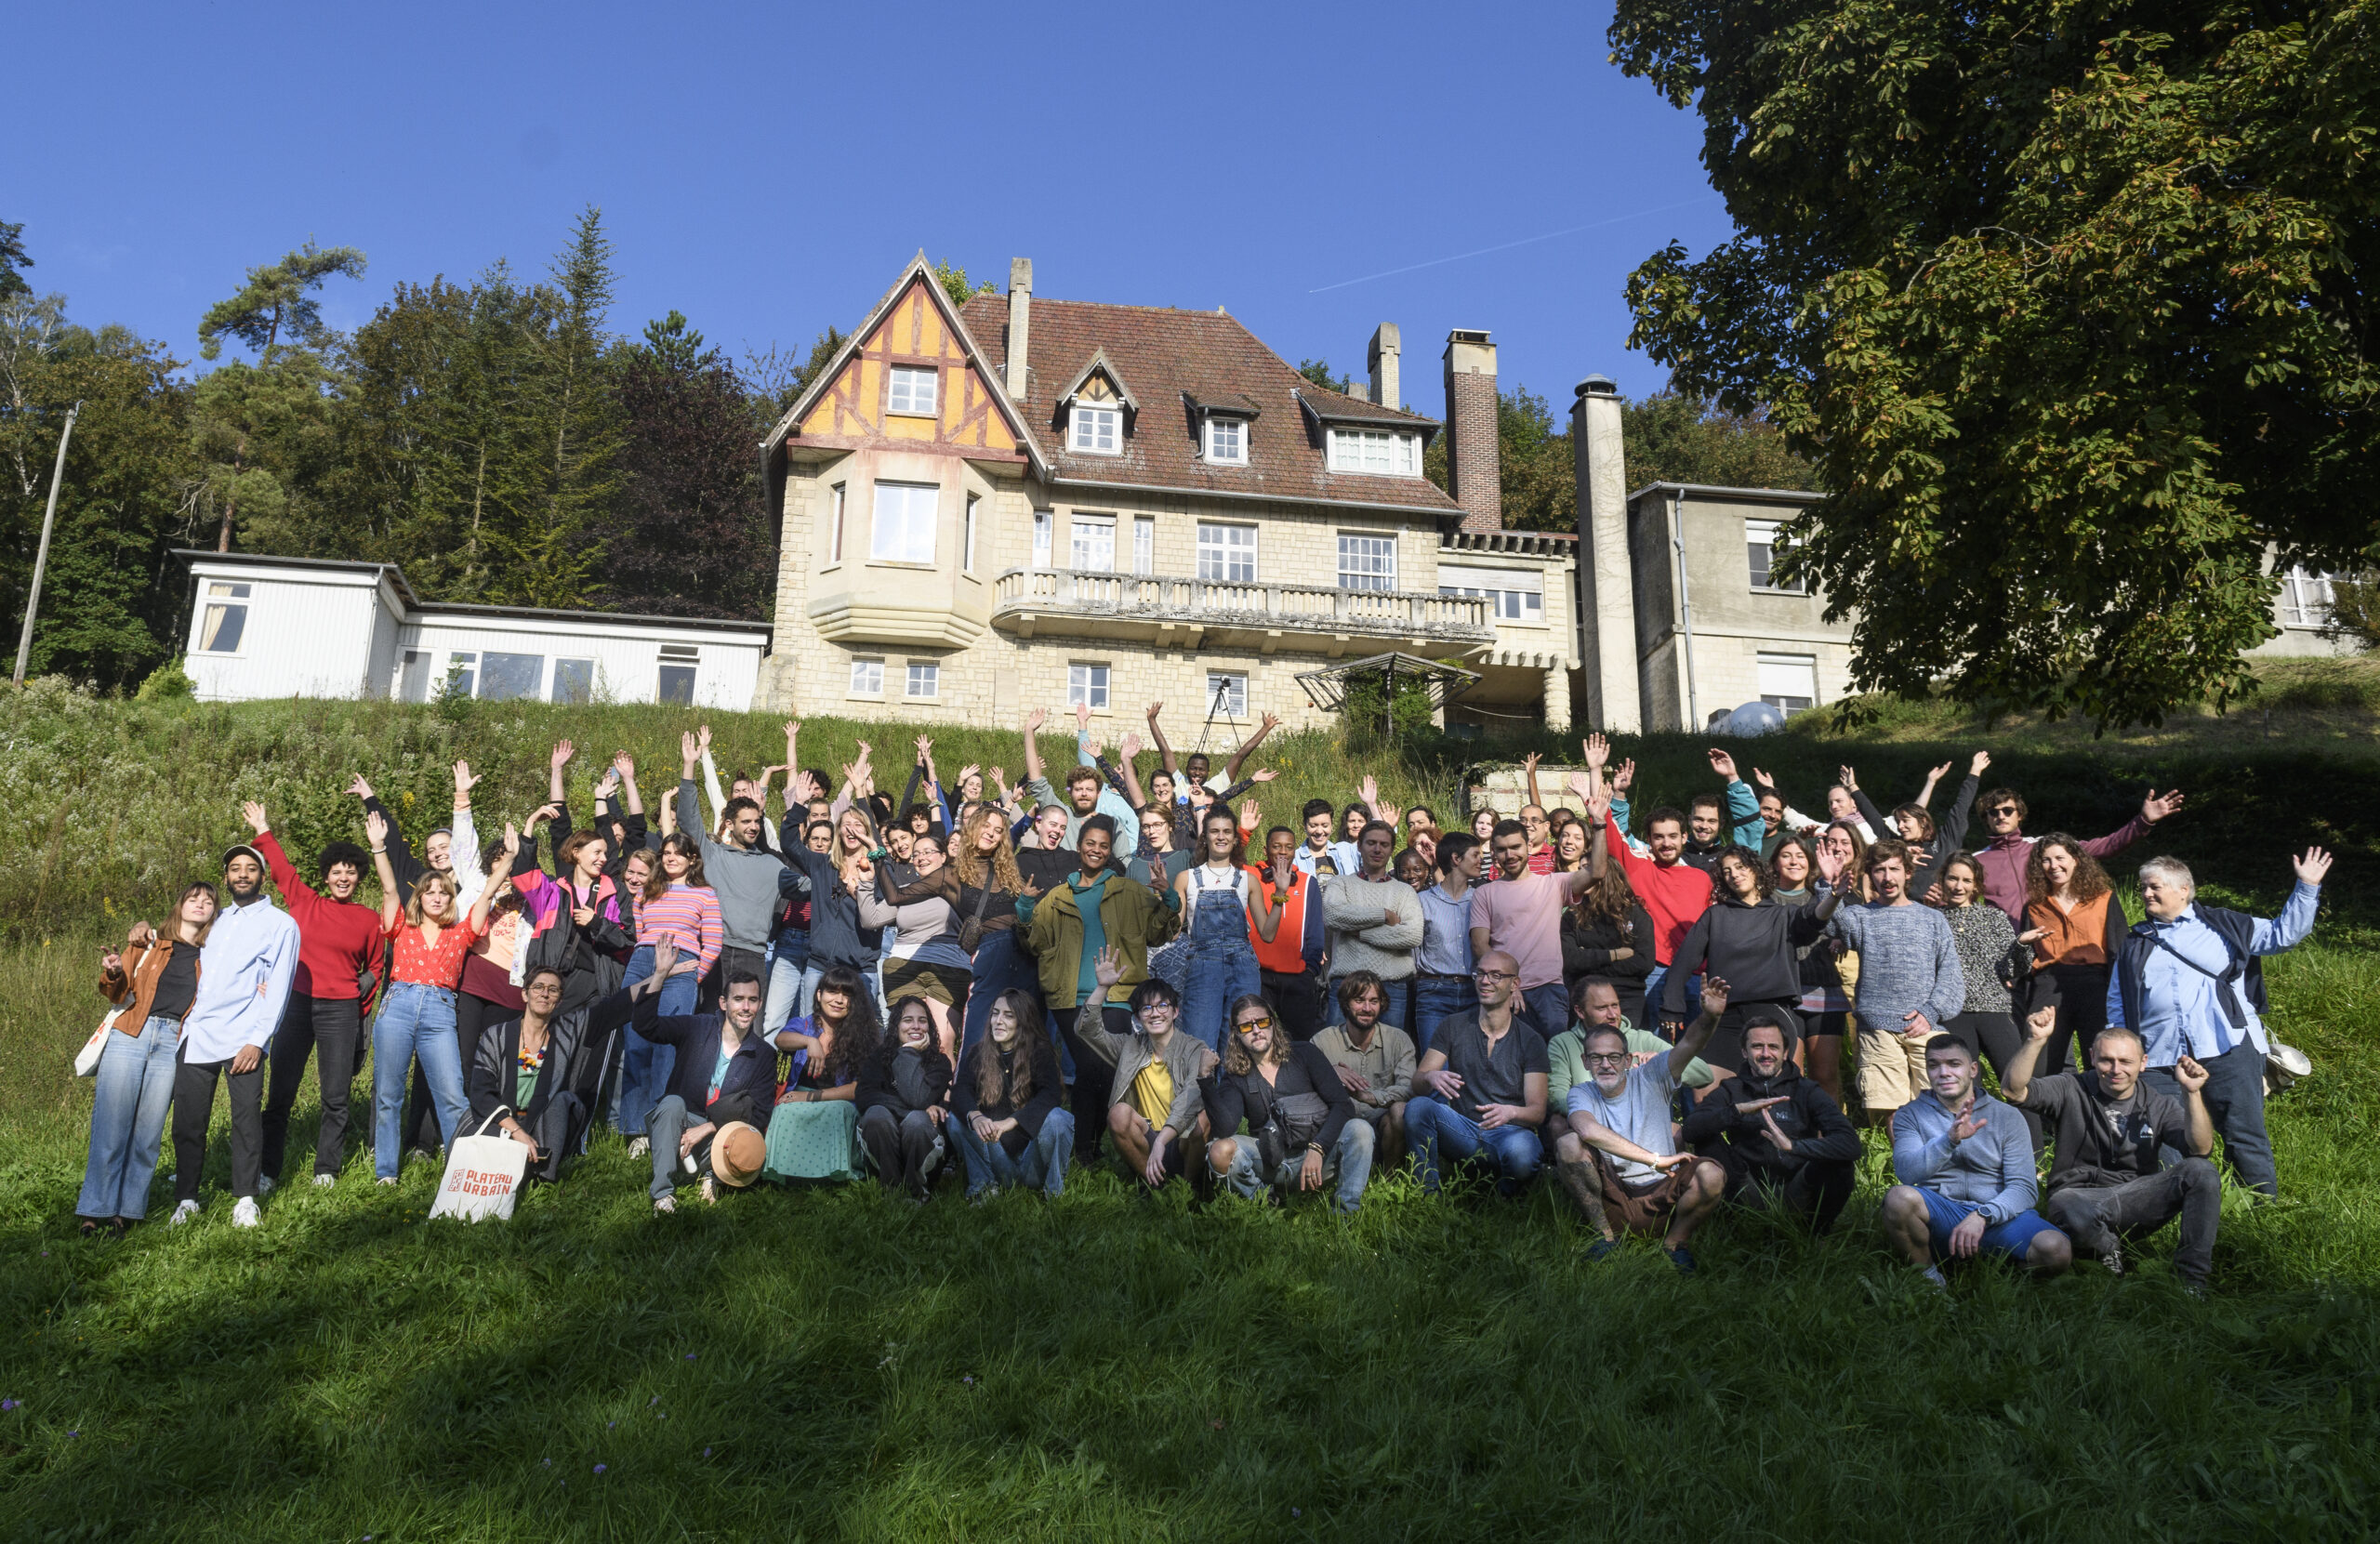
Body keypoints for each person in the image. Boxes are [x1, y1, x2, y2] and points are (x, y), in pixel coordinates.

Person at [2110, 849, 2329, 1199]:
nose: (2146, 894)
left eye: (2154, 887)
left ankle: (2261, 1209)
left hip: (2228, 1047)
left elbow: (2282, 935)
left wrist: (2306, 887)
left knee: (2244, 1132)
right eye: (2143, 888)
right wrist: (2123, 1047)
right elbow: (2118, 999)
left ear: (2183, 889)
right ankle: (2173, 1210)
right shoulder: (2134, 941)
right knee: (2165, 1137)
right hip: (2159, 1057)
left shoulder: (2226, 924)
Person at [2003, 1003, 2219, 1288]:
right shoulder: (2071, 1087)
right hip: (2078, 1199)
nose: (2116, 1070)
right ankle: (2111, 1257)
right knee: (2064, 1203)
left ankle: (2192, 1281)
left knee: (2201, 1170)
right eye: (2106, 1060)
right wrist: (2036, 1040)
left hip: (2134, 1198)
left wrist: (2192, 1094)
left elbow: (2200, 1149)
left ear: (2143, 1063)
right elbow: (2013, 1090)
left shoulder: (2158, 1103)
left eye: (2126, 1062)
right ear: (2092, 1057)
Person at [362, 812, 519, 1184]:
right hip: (397, 1007)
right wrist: (378, 847)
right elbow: (387, 889)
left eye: (442, 892)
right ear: (419, 897)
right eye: (429, 891)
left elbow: (484, 895)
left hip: (439, 1011)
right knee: (388, 1095)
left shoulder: (461, 933)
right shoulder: (401, 926)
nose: (435, 896)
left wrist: (509, 860)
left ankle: (461, 1171)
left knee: (452, 1097)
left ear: (450, 900)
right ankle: (386, 1172)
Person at [1020, 814, 1183, 1159]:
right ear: (1078, 847)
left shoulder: (1129, 891)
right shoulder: (1055, 898)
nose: (1096, 850)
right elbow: (1034, 944)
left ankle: (1091, 1146)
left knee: (1108, 1069)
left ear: (1110, 852)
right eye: (1090, 844)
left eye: (1103, 846)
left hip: (1118, 995)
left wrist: (1169, 899)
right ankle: (1085, 1151)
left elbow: (1158, 933)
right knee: (1090, 1066)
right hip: (1069, 998)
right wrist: (1023, 913)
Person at [245, 801, 383, 1193]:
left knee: (335, 1097)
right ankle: (267, 1171)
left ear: (359, 878)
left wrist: (359, 995)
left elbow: (375, 966)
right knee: (280, 1095)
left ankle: (327, 1169)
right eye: (336, 872)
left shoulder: (368, 919)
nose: (343, 878)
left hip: (340, 1012)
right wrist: (263, 827)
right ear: (325, 877)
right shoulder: (305, 902)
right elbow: (281, 869)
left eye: (350, 872)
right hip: (297, 1005)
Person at [168, 844, 299, 1227]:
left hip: (245, 1038)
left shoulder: (280, 924)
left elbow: (279, 987)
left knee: (246, 1122)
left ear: (262, 876)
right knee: (188, 1124)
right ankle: (187, 1199)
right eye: (235, 869)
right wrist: (140, 930)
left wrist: (258, 1040)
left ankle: (245, 1199)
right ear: (225, 877)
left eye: (250, 868)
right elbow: (170, 942)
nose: (242, 874)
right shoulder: (215, 918)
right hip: (198, 1035)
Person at [1564, 975, 1729, 1271]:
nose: (1605, 1064)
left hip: (1663, 1193)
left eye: (1614, 1057)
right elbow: (1586, 1129)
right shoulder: (1581, 1092)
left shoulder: (1653, 1075)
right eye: (1596, 1058)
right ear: (1585, 1062)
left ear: (1628, 1060)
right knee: (1568, 1144)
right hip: (1614, 1195)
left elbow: (1690, 1043)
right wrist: (1656, 1159)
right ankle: (1605, 1238)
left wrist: (1709, 1017)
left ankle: (1675, 1243)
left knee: (1711, 1174)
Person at [1882, 1036, 2073, 1287]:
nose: (1944, 1073)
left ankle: (2002, 1280)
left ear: (1973, 1069)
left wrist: (1983, 1215)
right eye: (1934, 1065)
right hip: (1942, 1215)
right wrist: (1948, 1141)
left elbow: (2024, 1189)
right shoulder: (1910, 1114)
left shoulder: (2007, 1116)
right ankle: (1929, 1278)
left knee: (2056, 1250)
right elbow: (1907, 1173)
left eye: (1953, 1064)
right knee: (1898, 1198)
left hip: (1997, 1216)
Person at [82, 884, 218, 1234]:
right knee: (111, 1127)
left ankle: (126, 1213)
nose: (201, 904)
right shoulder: (148, 943)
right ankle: (94, 1210)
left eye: (208, 901)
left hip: (173, 1042)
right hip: (131, 1034)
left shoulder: (214, 954)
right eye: (194, 899)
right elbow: (116, 991)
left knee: (147, 1133)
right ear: (180, 906)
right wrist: (113, 971)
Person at [466, 966, 654, 1186]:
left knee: (564, 1100)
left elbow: (613, 1008)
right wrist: (516, 1131)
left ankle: (543, 1175)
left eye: (553, 990)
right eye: (538, 987)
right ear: (525, 993)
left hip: (542, 1126)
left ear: (560, 1000)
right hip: (504, 1123)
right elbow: (481, 1093)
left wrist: (659, 976)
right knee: (474, 1126)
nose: (544, 994)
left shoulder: (568, 1029)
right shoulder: (496, 1036)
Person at [1655, 846, 1835, 1073]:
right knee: (1706, 1091)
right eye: (1727, 871)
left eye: (1740, 867)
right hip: (1723, 1015)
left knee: (1772, 1088)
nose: (1734, 874)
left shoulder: (1783, 915)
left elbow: (1815, 917)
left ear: (1756, 870)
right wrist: (1671, 1008)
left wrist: (1831, 890)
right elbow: (1682, 963)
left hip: (1772, 1012)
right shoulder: (1715, 916)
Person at [628, 942, 780, 1212]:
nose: (745, 1007)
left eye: (752, 1000)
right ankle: (663, 1194)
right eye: (738, 999)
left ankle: (712, 1176)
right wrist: (660, 976)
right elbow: (645, 1026)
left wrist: (709, 1127)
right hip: (679, 1123)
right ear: (723, 1002)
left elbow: (759, 1114)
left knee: (747, 1134)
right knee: (672, 1103)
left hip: (719, 1137)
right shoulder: (698, 1027)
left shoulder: (764, 1055)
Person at [872, 802, 1033, 1055]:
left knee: (1022, 1040)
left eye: (999, 830)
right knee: (977, 1038)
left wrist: (1027, 904)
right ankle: (962, 1092)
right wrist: (878, 858)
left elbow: (1026, 922)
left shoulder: (1010, 874)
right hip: (988, 959)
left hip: (1022, 960)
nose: (991, 832)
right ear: (973, 829)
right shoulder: (950, 876)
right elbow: (894, 897)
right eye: (986, 826)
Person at [1677, 1010, 1859, 1233]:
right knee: (1707, 1140)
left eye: (1773, 1047)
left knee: (1840, 1162)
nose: (1766, 1054)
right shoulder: (1732, 1089)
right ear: (1744, 1052)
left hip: (1798, 1187)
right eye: (1757, 1047)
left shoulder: (1806, 1090)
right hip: (1746, 1187)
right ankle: (1734, 1229)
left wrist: (1794, 1146)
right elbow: (1691, 1130)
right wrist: (1737, 1111)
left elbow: (1850, 1143)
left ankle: (1815, 1233)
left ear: (1785, 1053)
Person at [1824, 839, 1964, 1127]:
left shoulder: (1932, 918)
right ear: (1870, 875)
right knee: (1893, 1111)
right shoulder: (1859, 915)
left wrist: (1930, 1012)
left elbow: (1950, 972)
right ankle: (1908, 1169)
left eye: (1894, 869)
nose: (1887, 878)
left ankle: (1941, 1168)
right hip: (1877, 1028)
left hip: (1924, 1025)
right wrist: (1829, 888)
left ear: (1908, 872)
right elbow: (1830, 925)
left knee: (1939, 1106)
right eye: (1879, 870)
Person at [1204, 994, 1372, 1213]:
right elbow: (1225, 1128)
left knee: (1361, 1129)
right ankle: (1266, 1206)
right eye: (1246, 1026)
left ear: (1273, 1022)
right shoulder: (1235, 1075)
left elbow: (1343, 1105)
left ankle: (1345, 1213)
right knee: (1220, 1151)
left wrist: (1318, 1147)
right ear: (1236, 1032)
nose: (1256, 1030)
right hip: (1271, 1163)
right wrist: (1206, 1079)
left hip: (1319, 1160)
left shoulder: (1304, 1053)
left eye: (1262, 1022)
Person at [1406, 949, 1549, 1197]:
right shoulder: (1453, 1025)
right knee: (1418, 1107)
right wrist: (1431, 1077)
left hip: (1509, 1134)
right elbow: (1417, 1083)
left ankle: (1502, 1201)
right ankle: (1427, 1194)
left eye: (1496, 975)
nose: (1485, 981)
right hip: (1463, 1130)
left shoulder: (1530, 1040)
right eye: (1480, 973)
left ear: (1515, 984)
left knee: (1523, 1153)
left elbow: (1537, 1112)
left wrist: (1511, 1112)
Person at [615, 832, 721, 1157]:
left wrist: (692, 976)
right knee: (635, 1045)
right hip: (643, 963)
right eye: (666, 853)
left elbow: (713, 942)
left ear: (692, 858)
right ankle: (632, 1129)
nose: (671, 858)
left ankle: (656, 1127)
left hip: (682, 965)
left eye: (678, 853)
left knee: (666, 1052)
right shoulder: (647, 892)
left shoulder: (705, 895)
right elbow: (640, 931)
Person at [1470, 783, 1599, 1039]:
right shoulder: (1485, 892)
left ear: (1528, 846)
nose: (1510, 855)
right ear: (1493, 853)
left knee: (1551, 1066)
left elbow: (1597, 872)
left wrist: (1600, 823)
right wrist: (1505, 985)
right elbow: (1479, 946)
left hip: (1548, 991)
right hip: (1504, 992)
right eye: (1502, 849)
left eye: (1515, 847)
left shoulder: (1553, 883)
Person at [1585, 768, 1714, 1019]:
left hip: (1697, 973)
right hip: (1655, 971)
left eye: (1673, 836)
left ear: (1684, 837)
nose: (1666, 843)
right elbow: (1603, 822)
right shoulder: (1638, 866)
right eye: (1659, 837)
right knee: (1656, 1047)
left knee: (1697, 1048)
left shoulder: (1703, 879)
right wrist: (1595, 769)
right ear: (1649, 840)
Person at [1081, 948, 1215, 1191]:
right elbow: (1087, 1030)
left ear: (1175, 1012)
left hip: (1181, 1139)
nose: (1155, 1013)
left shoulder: (1195, 1049)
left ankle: (1187, 1189)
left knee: (1202, 1118)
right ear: (1139, 1017)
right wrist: (1102, 988)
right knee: (1118, 1114)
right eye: (1146, 1008)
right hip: (1147, 1139)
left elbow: (1192, 1097)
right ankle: (1154, 1187)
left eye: (1162, 1006)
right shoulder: (1130, 1046)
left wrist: (1163, 1140)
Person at [676, 728, 789, 1002]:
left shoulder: (770, 864)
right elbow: (688, 819)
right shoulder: (712, 854)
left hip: (753, 955)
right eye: (746, 822)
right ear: (729, 824)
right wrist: (689, 766)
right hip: (713, 948)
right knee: (705, 1021)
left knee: (749, 1028)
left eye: (757, 822)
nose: (753, 827)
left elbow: (805, 883)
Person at [1172, 805, 1289, 1052]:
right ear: (1204, 837)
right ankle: (1202, 1091)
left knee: (1240, 1042)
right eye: (1214, 831)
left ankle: (1234, 1091)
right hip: (1202, 965)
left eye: (1227, 831)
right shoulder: (1186, 878)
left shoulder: (1248, 880)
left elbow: (1267, 934)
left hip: (1242, 966)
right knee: (1200, 1044)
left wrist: (1280, 893)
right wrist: (1167, 899)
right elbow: (1172, 932)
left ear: (1236, 839)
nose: (1221, 836)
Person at [1974, 784, 2184, 921]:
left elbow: (2105, 846)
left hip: (2051, 940)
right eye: (1993, 812)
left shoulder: (2044, 847)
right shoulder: (1976, 862)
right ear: (1986, 818)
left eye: (2008, 810)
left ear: (2020, 815)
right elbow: (1953, 898)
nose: (2000, 816)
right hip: (2005, 948)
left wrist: (2143, 822)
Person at [1934, 851, 2038, 1115]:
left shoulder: (1993, 918)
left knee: (2017, 1082)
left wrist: (2022, 945)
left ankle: (2034, 1152)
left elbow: (2011, 969)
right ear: (1942, 880)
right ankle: (1975, 1150)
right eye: (1953, 878)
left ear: (1976, 885)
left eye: (1966, 880)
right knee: (1966, 1091)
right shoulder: (1933, 919)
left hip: (1994, 1009)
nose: (1959, 886)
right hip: (1953, 1013)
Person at [2022, 835, 2131, 1085]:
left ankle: (2101, 1116)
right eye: (2046, 861)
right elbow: (2028, 956)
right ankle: (2047, 1120)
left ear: (2076, 860)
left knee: (2101, 1055)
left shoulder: (2103, 898)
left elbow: (2120, 948)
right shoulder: (2035, 906)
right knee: (2043, 1060)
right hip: (2049, 984)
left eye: (2060, 858)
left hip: (2095, 983)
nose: (2053, 866)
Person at [858, 830, 973, 1060]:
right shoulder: (905, 891)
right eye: (916, 854)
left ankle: (944, 1095)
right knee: (909, 1043)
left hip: (946, 968)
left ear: (943, 856)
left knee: (941, 1045)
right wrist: (866, 883)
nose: (921, 857)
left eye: (928, 852)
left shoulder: (960, 887)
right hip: (904, 968)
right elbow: (871, 919)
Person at [947, 990, 1073, 1198]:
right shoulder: (979, 1053)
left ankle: (1053, 1193)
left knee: (1059, 1118)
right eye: (995, 1013)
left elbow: (1051, 1096)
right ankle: (984, 1188)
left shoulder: (1039, 1052)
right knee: (956, 1120)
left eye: (1008, 1015)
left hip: (1033, 1159)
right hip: (997, 1156)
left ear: (1023, 1020)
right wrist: (976, 1116)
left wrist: (1012, 1122)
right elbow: (961, 1090)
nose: (998, 1021)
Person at [764, 964, 880, 1181]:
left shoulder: (862, 1037)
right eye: (833, 992)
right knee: (784, 1110)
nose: (838, 1000)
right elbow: (781, 1040)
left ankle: (830, 1175)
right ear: (819, 995)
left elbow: (858, 1089)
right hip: (798, 1094)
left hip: (838, 1099)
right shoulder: (805, 1024)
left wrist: (811, 1097)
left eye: (846, 995)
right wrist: (810, 1041)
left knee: (837, 1112)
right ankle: (790, 1174)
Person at [1311, 971, 1418, 1173]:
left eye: (1374, 1001)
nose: (1367, 1008)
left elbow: (1408, 1089)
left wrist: (1370, 1097)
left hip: (1383, 1127)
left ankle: (1388, 1179)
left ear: (1382, 1004)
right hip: (1339, 1128)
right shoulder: (1322, 1041)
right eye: (1359, 1000)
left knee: (1402, 1110)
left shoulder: (1399, 1040)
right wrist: (1327, 1073)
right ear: (1346, 1003)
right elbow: (1303, 1085)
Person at [1843, 752, 1987, 901]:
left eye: (1905, 820)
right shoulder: (1897, 847)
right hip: (1911, 913)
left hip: (1946, 910)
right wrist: (1853, 787)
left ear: (1923, 821)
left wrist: (1975, 771)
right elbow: (1874, 818)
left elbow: (1961, 807)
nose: (1900, 826)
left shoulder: (1945, 841)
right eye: (1898, 822)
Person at [1321, 820, 1422, 1024]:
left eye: (1384, 845)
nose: (1377, 849)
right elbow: (1333, 915)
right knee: (1337, 1050)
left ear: (1392, 849)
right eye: (1371, 843)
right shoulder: (1340, 883)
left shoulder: (1404, 892)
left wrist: (1361, 933)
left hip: (1392, 987)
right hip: (1347, 983)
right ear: (1359, 846)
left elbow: (1412, 934)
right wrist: (1383, 915)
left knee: (1390, 1051)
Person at [856, 995, 956, 1198]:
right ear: (896, 1025)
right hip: (885, 1140)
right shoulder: (878, 1057)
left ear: (929, 1026)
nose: (916, 1026)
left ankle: (916, 1192)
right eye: (908, 1020)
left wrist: (908, 1053)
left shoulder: (940, 1062)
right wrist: (918, 1107)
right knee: (876, 1115)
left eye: (922, 1020)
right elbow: (865, 1097)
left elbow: (918, 1099)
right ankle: (890, 1189)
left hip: (922, 1141)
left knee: (917, 1121)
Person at [1249, 824, 1329, 1043]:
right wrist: (1244, 831)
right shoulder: (1250, 876)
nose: (1283, 852)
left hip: (1297, 977)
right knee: (1257, 1040)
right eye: (1276, 846)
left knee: (1301, 1043)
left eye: (1289, 847)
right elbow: (1228, 857)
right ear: (1265, 850)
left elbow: (1315, 931)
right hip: (1259, 977)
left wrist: (1309, 970)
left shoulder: (1307, 882)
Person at [1412, 832, 1484, 1054]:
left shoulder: (1482, 898)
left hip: (1475, 992)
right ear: (1456, 859)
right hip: (1434, 992)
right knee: (1436, 1068)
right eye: (1475, 855)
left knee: (1471, 1065)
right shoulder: (1423, 901)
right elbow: (1414, 949)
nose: (1481, 860)